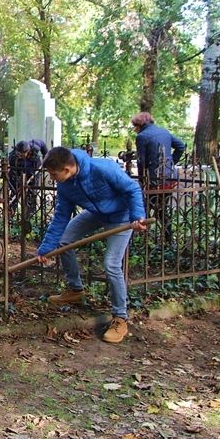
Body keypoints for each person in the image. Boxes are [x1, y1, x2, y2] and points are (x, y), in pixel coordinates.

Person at [36, 147, 148, 344]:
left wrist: (137, 216)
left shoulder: (102, 168)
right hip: (97, 214)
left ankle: (120, 318)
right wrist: (47, 248)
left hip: (121, 217)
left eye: (53, 174)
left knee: (111, 264)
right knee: (64, 241)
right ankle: (75, 289)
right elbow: (61, 216)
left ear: (67, 169)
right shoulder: (65, 185)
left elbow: (132, 189)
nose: (52, 178)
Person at [131, 111, 186, 245]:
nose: (134, 129)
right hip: (169, 177)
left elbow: (141, 161)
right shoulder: (164, 132)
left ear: (139, 125)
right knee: (160, 207)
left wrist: (142, 180)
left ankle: (138, 240)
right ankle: (167, 238)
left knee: (145, 206)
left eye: (134, 126)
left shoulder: (142, 137)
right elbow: (181, 146)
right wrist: (171, 163)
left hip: (154, 178)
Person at [7, 140, 43, 215]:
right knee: (14, 192)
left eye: (21, 154)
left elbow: (36, 171)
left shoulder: (35, 155)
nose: (19, 155)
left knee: (31, 192)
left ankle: (30, 214)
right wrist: (18, 183)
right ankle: (10, 212)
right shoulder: (13, 156)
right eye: (18, 153)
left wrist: (29, 179)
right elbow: (13, 170)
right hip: (17, 172)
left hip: (31, 172)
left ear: (27, 152)